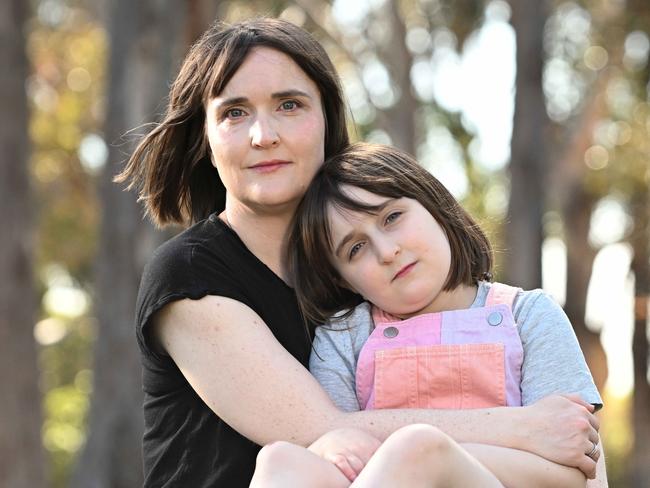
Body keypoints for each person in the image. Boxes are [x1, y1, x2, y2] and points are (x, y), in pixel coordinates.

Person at [117, 17, 603, 487]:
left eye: (289, 105)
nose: (263, 136)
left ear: (327, 119)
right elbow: (325, 431)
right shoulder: (189, 276)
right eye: (234, 112)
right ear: (205, 137)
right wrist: (524, 428)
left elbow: (583, 460)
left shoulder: (379, 285)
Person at [257, 142, 607, 487]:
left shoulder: (527, 315)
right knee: (280, 459)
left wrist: (433, 454)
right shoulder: (345, 336)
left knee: (418, 446)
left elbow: (576, 472)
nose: (387, 251)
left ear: (433, 204)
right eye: (356, 248)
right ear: (341, 279)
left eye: (392, 217)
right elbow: (337, 448)